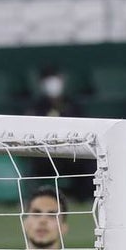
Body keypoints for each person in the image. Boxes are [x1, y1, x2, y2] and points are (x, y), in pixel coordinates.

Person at [26, 66, 96, 201]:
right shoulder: (37, 107)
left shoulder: (71, 104)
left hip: (70, 153)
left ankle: (85, 197)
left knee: (88, 161)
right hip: (45, 155)